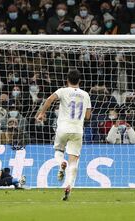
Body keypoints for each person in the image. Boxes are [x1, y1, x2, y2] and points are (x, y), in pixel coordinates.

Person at [36, 69, 91, 201]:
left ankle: (61, 162)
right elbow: (88, 116)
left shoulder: (62, 91)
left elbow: (49, 99)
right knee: (74, 161)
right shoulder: (85, 95)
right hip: (77, 130)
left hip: (63, 128)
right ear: (80, 81)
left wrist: (42, 113)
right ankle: (68, 186)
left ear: (67, 80)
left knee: (58, 151)